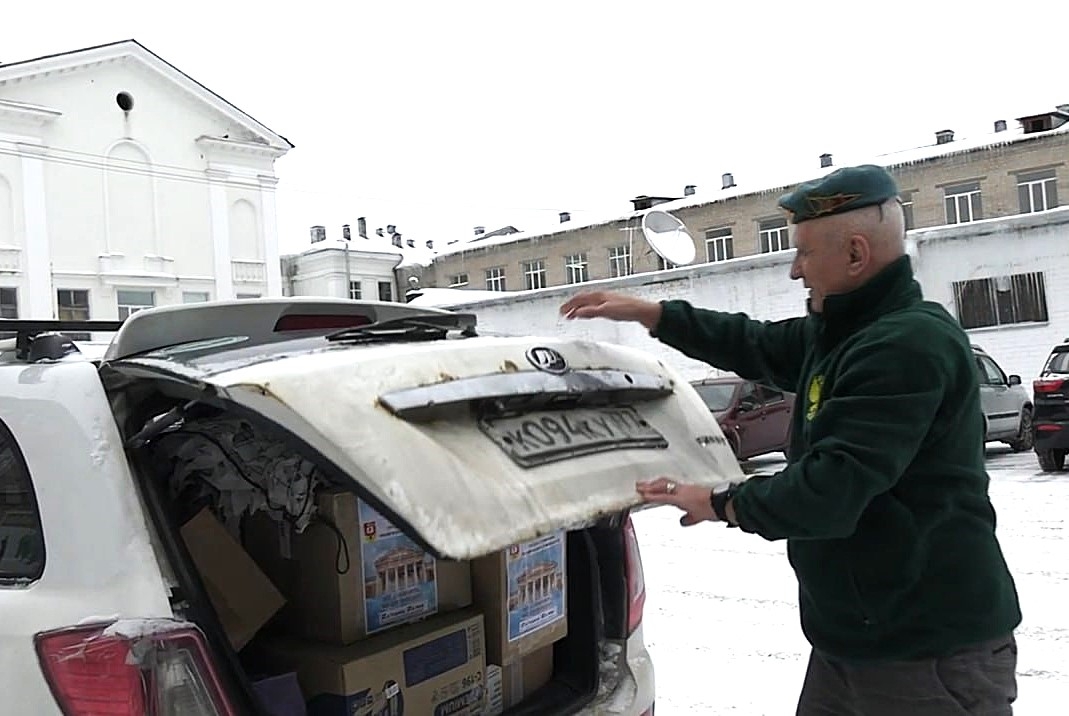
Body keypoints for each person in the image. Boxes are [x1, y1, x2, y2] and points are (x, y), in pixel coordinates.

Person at [560, 164, 1022, 715]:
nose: (794, 271)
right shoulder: (844, 335)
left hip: (927, 651)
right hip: (854, 640)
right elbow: (753, 343)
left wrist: (718, 500)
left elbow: (830, 490)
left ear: (855, 253)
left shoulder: (904, 346)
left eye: (802, 253)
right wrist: (654, 314)